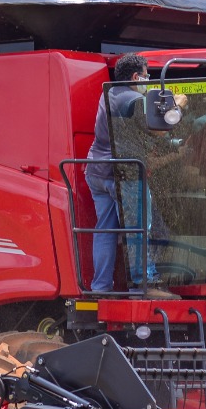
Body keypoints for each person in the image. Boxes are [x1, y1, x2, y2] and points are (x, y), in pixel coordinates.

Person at [84, 54, 176, 299]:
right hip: (124, 174)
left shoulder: (108, 94)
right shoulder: (135, 98)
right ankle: (143, 283)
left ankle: (100, 288)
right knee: (139, 229)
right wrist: (179, 105)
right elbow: (159, 130)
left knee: (105, 231)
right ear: (136, 76)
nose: (148, 81)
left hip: (95, 170)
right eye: (147, 76)